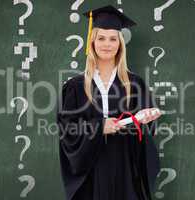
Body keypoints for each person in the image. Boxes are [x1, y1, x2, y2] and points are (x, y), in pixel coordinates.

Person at [57, 5, 161, 200]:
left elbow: (147, 127)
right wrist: (99, 127)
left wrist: (148, 119)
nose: (107, 44)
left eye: (113, 39)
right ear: (92, 42)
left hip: (125, 165)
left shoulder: (135, 83)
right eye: (101, 38)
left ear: (120, 44)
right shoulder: (75, 86)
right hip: (91, 167)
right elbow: (66, 129)